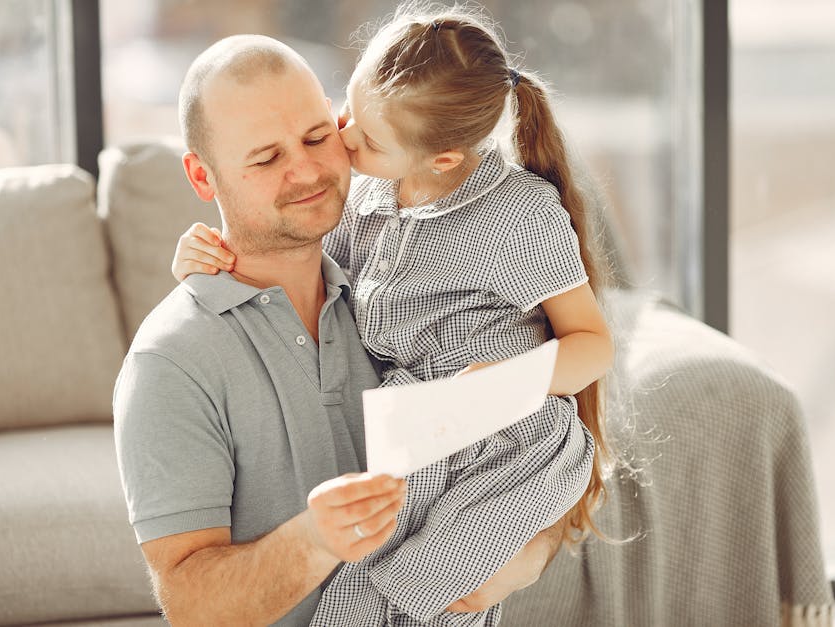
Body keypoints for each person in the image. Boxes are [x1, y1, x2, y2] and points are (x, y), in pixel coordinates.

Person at [169, 5, 614, 627]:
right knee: (362, 580)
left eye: (368, 140)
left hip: (508, 434)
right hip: (416, 427)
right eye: (346, 110)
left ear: (445, 160)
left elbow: (593, 343)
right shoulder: (372, 196)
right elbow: (300, 259)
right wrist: (208, 254)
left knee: (424, 593)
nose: (343, 140)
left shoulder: (519, 218)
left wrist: (503, 382)